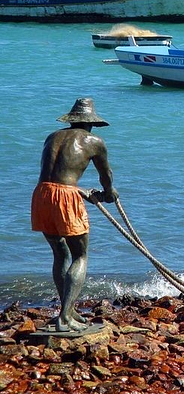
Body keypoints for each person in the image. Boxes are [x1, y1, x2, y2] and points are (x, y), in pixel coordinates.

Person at [31, 98, 119, 332]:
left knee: (60, 253)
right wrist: (109, 193)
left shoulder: (52, 137)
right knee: (80, 256)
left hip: (42, 193)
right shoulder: (94, 141)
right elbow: (106, 174)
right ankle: (64, 316)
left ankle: (67, 310)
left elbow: (56, 174)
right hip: (65, 196)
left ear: (72, 119)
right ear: (92, 123)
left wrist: (79, 190)